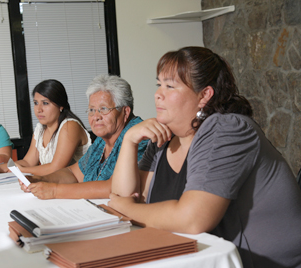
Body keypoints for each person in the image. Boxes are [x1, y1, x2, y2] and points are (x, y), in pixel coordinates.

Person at [108, 47, 301, 268]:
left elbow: (192, 219)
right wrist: (129, 140)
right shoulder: (164, 138)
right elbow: (124, 196)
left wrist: (127, 209)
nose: (158, 94)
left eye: (170, 86)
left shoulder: (226, 129)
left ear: (204, 95)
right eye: (158, 84)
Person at [19, 74, 148, 199]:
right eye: (91, 110)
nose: (96, 117)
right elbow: (74, 173)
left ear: (125, 112)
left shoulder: (139, 136)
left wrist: (54, 191)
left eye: (103, 109)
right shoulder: (102, 140)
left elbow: (115, 186)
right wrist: (40, 179)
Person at [0, 79, 91, 176]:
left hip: (83, 185)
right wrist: (1, 168)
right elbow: (28, 162)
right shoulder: (40, 128)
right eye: (36, 103)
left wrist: (20, 171)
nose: (39, 109)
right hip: (58, 184)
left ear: (61, 105)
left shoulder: (69, 126)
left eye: (45, 103)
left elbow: (56, 168)